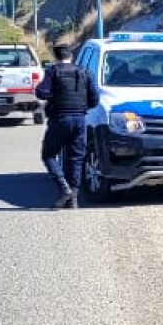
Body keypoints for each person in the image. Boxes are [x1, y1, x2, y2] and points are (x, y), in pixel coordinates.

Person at [34, 44, 97, 208]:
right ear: (72, 56)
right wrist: (81, 107)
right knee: (75, 158)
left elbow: (41, 92)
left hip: (60, 119)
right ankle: (74, 198)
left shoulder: (53, 71)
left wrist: (53, 95)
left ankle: (64, 188)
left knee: (48, 155)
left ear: (56, 57)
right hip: (80, 120)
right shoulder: (84, 72)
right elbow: (94, 99)